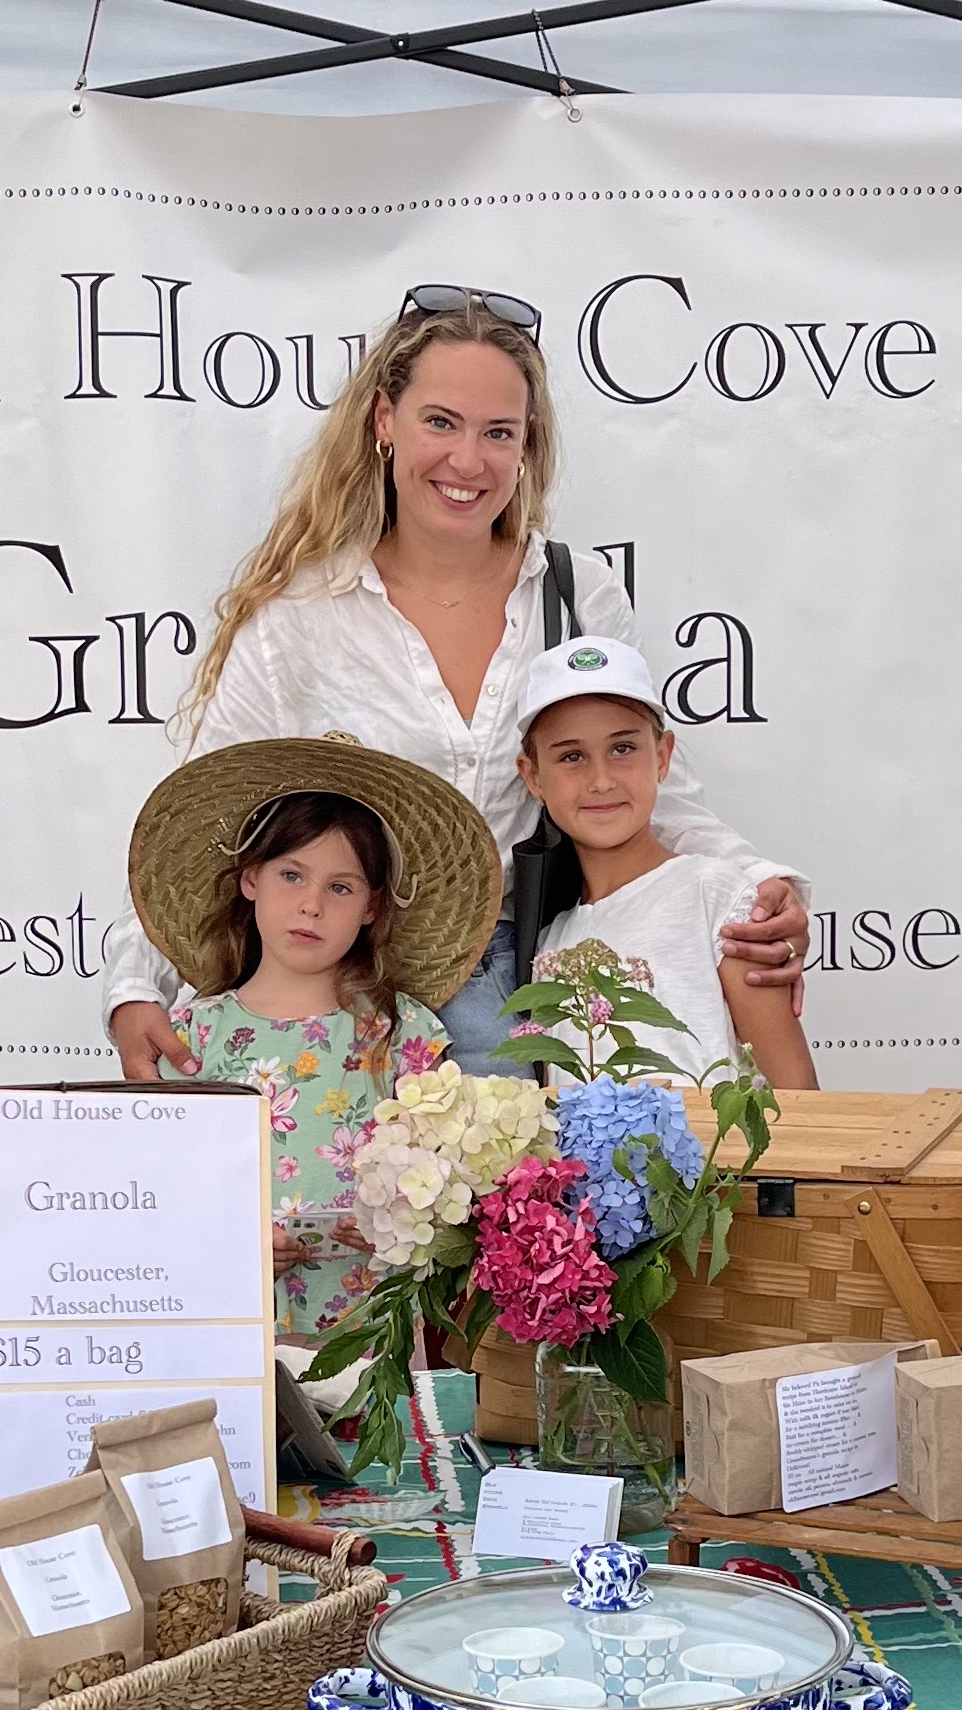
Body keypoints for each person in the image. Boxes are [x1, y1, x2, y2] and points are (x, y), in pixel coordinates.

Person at [104, 287, 807, 1081]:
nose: (468, 460)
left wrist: (758, 885)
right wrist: (135, 985)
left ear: (525, 444)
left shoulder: (576, 595)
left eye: (497, 432)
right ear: (383, 422)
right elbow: (205, 816)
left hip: (548, 975)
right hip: (355, 988)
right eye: (440, 421)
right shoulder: (300, 618)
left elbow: (647, 786)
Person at [123, 733, 503, 1336]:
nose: (312, 906)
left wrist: (404, 1217)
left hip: (373, 1331)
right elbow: (154, 1190)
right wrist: (232, 1240)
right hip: (232, 1331)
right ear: (250, 880)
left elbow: (451, 1176)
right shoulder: (193, 1035)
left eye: (341, 887)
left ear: (372, 908)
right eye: (292, 875)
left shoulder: (405, 1034)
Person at [516, 635, 819, 1091]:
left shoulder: (717, 898)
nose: (601, 781)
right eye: (572, 757)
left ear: (662, 756)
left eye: (623, 749)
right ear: (533, 775)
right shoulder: (552, 941)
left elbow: (798, 1098)